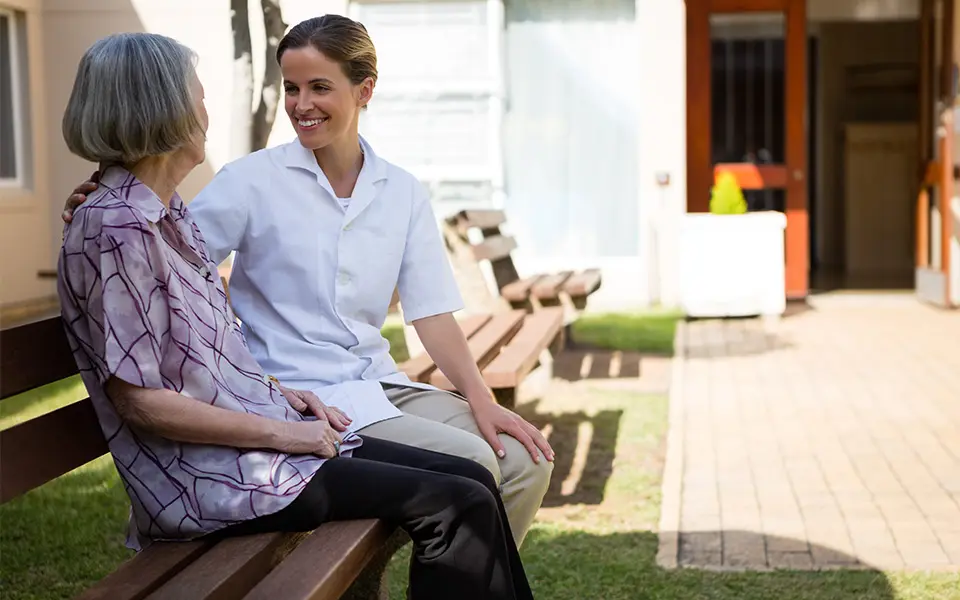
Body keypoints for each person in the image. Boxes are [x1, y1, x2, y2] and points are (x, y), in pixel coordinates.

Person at [58, 32, 533, 600]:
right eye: (197, 94)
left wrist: (281, 398)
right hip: (221, 474)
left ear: (364, 93)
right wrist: (289, 431)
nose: (206, 108)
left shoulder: (167, 217)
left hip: (287, 422)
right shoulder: (129, 224)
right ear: (162, 110)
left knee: (482, 477)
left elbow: (205, 347)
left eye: (318, 87)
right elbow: (140, 397)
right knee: (462, 493)